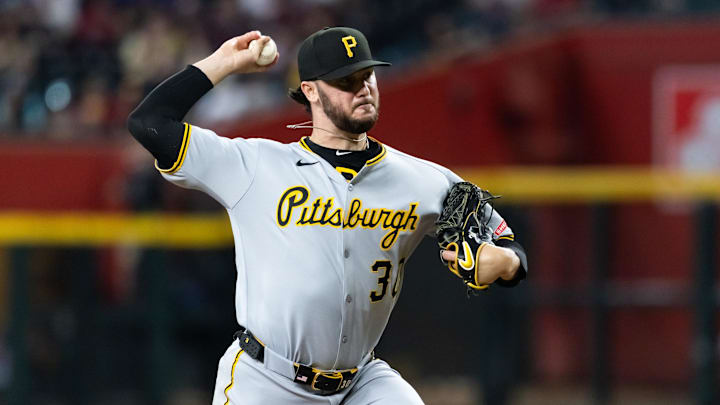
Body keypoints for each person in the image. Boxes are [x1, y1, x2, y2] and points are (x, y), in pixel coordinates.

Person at [127, 27, 527, 405]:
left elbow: (509, 249)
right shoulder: (253, 165)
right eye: (346, 81)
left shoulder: (422, 179)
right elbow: (149, 123)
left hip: (361, 382)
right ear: (311, 91)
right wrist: (223, 63)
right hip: (267, 380)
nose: (364, 89)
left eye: (368, 76)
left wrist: (504, 262)